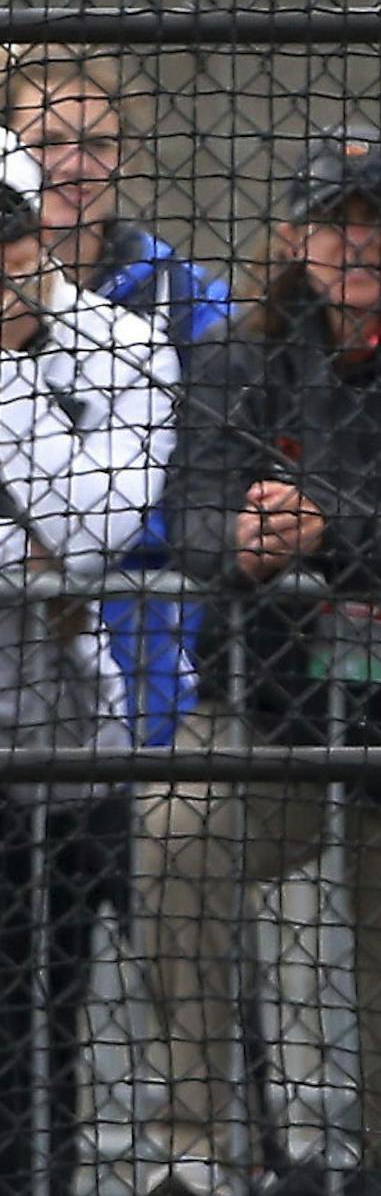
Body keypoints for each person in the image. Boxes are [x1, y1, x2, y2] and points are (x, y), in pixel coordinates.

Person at [139, 129, 381, 1196]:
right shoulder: (240, 354)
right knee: (175, 833)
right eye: (335, 219)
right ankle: (200, 1142)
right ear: (295, 235)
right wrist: (242, 542)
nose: (358, 241)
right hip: (268, 709)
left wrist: (317, 530)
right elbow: (192, 513)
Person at [0, 129, 175, 1196]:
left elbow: (97, 519)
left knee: (31, 1091)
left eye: (12, 230)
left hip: (56, 774)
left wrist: (17, 355)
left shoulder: (121, 343)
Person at [2, 46, 230, 748]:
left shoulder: (187, 301)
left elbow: (200, 481)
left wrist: (86, 550)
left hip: (135, 655)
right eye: (48, 144)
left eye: (97, 142)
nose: (75, 165)